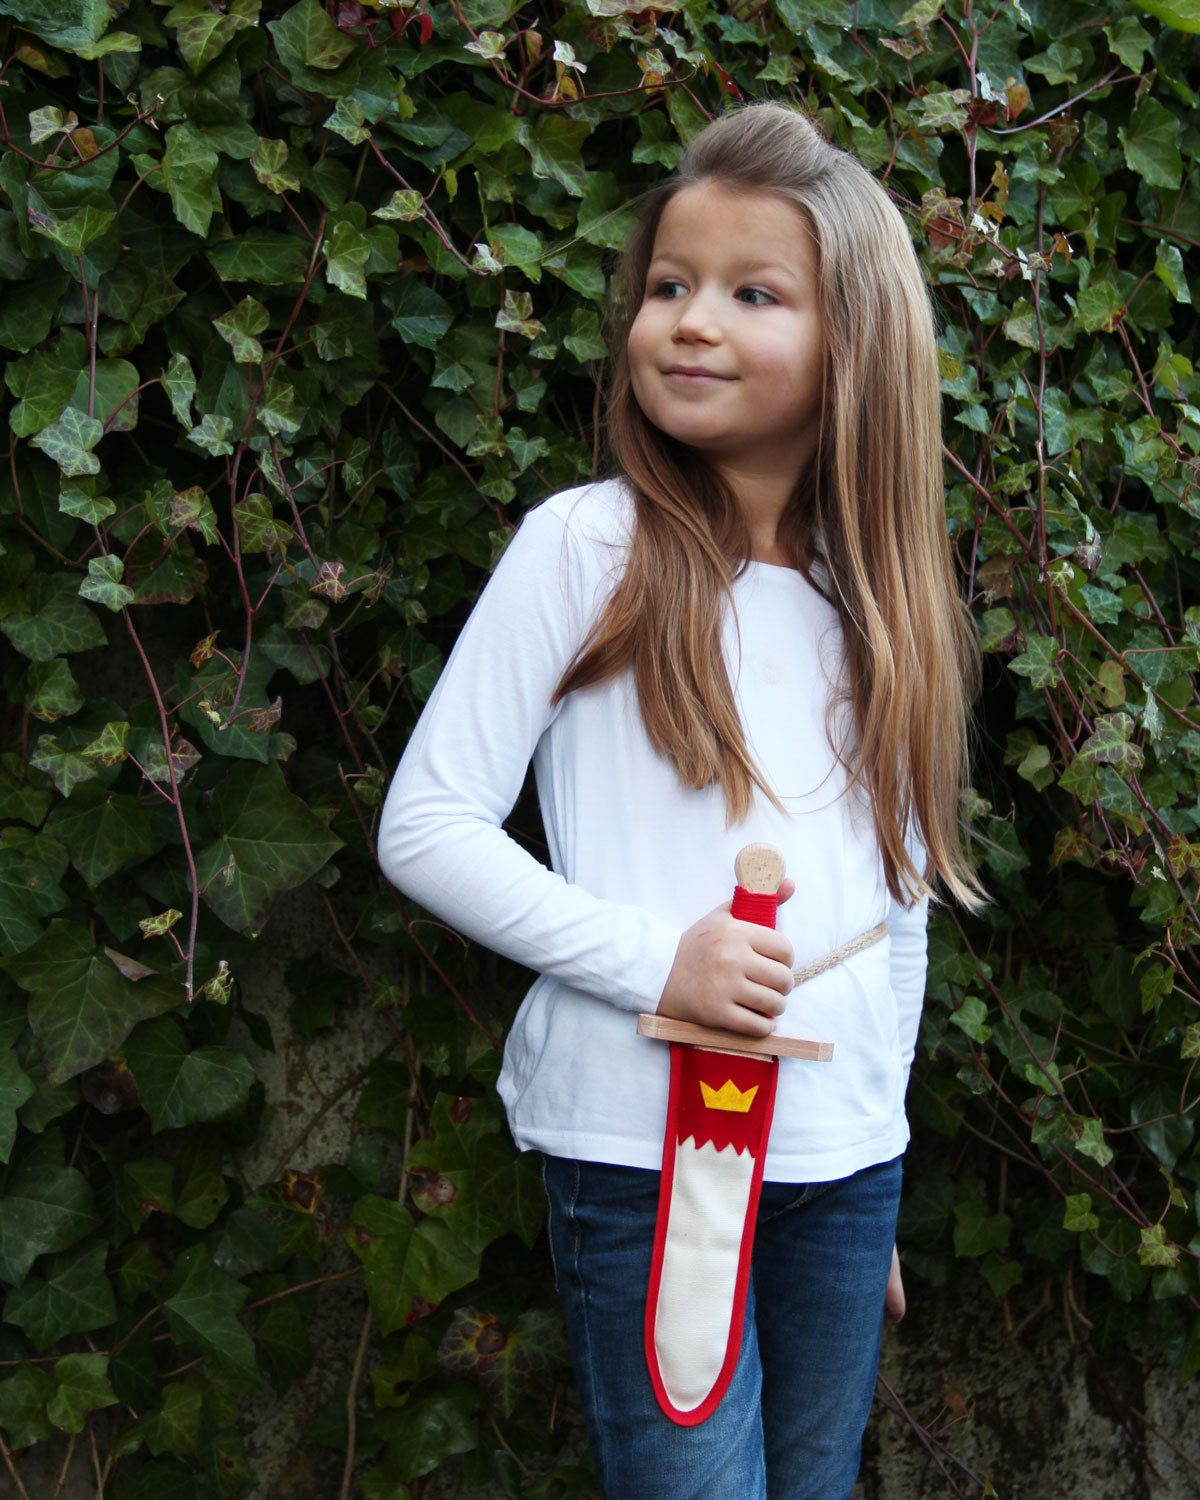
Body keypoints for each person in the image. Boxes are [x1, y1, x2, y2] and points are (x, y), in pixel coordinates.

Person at [378, 100, 981, 1500]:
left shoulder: (880, 602)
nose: (688, 321)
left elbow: (894, 915)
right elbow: (426, 825)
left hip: (844, 1182)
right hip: (652, 1155)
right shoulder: (588, 545)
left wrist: (869, 1146)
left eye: (751, 293)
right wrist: (665, 963)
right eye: (668, 286)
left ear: (856, 349)